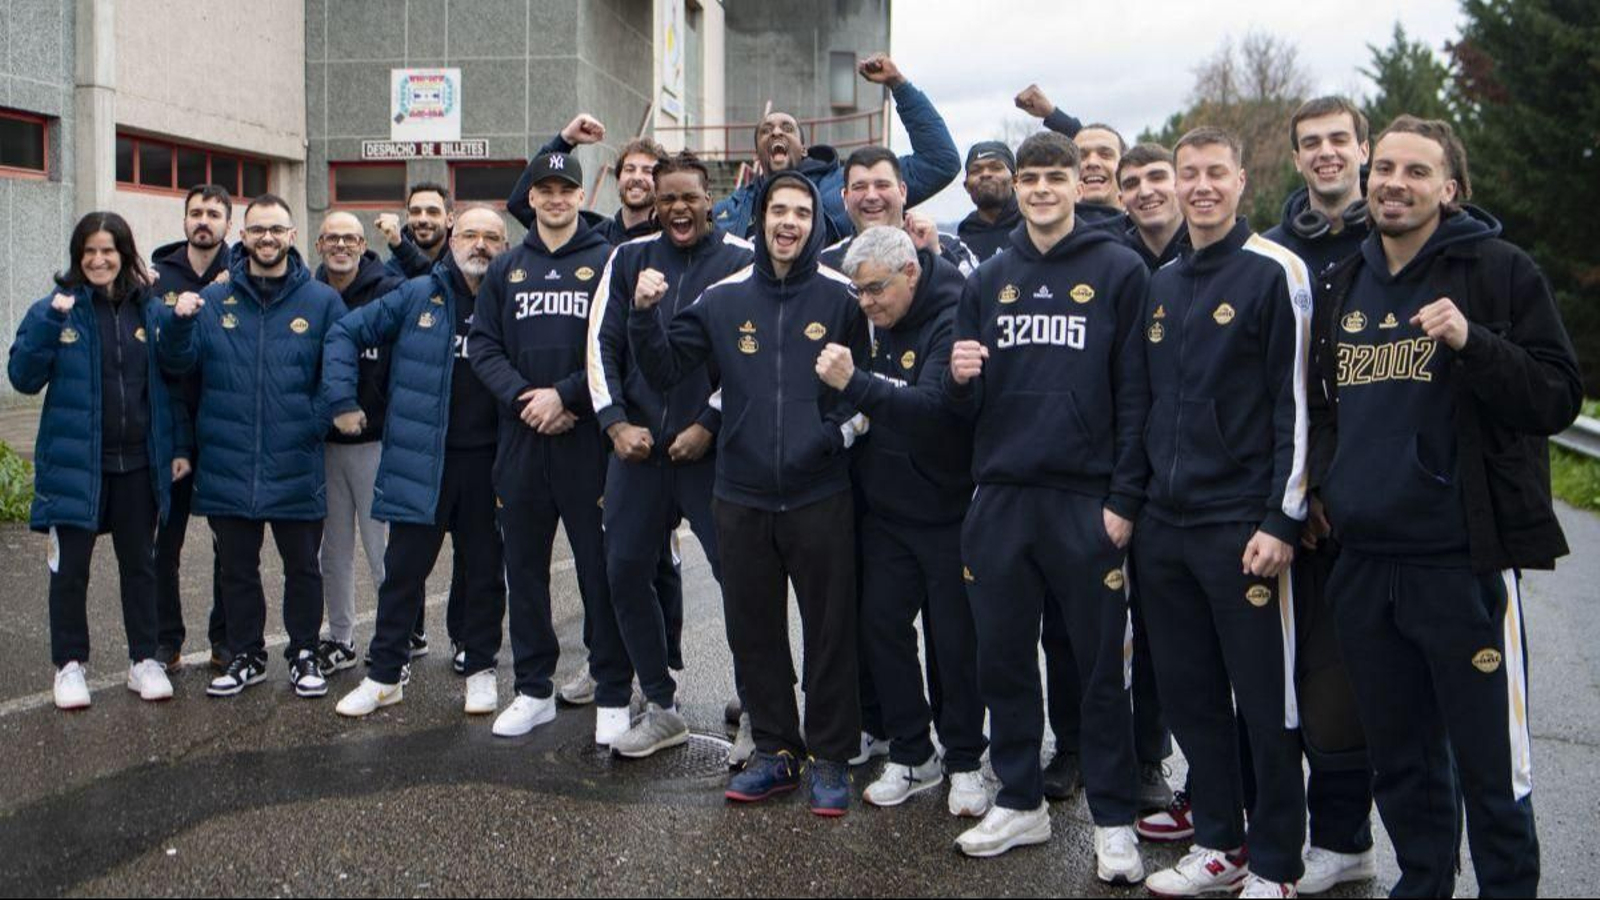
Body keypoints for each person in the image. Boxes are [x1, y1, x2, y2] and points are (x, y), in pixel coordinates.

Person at [1312, 115, 1581, 898]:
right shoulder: (1346, 283)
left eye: (1416, 172)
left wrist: (1473, 341)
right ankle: (1421, 882)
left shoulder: (1498, 271)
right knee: (1401, 760)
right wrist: (1330, 485)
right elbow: (1325, 406)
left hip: (1460, 561)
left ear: (1449, 190)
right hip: (1363, 563)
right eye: (1385, 168)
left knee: (1493, 765)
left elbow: (1557, 395)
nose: (1395, 182)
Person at [628, 173, 869, 817]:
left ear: (816, 222)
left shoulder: (844, 297)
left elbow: (865, 393)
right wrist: (644, 314)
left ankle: (830, 756)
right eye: (777, 211)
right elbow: (664, 368)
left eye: (801, 212)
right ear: (759, 218)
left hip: (821, 493)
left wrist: (832, 438)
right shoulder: (722, 297)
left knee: (829, 630)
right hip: (741, 494)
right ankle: (775, 750)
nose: (788, 222)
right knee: (754, 630)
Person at [942, 132, 1146, 883]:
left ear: (1080, 182)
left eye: (1055, 176)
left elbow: (1136, 394)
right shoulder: (988, 279)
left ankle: (1116, 820)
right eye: (1029, 179)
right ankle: (1020, 798)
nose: (1041, 189)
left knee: (1097, 671)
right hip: (999, 498)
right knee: (1003, 659)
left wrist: (1124, 498)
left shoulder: (1119, 270)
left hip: (1084, 500)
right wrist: (961, 381)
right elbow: (961, 404)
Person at [1133, 127, 1311, 897]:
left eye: (1215, 173)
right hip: (1164, 527)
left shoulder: (1276, 272)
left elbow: (1295, 402)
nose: (1200, 186)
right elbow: (1145, 403)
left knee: (1266, 706)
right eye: (1188, 174)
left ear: (1242, 180)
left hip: (1243, 528)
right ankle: (1219, 845)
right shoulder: (1164, 283)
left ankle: (1275, 862)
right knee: (1189, 693)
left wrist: (1283, 517)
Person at [587, 151, 756, 759]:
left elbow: (751, 358)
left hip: (711, 454)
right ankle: (661, 704)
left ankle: (757, 709)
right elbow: (600, 347)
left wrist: (709, 420)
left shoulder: (742, 262)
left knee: (741, 579)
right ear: (653, 203)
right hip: (636, 454)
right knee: (625, 570)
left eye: (689, 197)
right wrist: (614, 423)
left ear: (708, 197)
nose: (678, 209)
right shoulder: (627, 258)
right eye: (667, 200)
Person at [825, 226, 990, 818]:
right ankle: (914, 753)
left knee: (956, 642)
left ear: (911, 274)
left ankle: (967, 760)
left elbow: (932, 410)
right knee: (881, 630)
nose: (866, 304)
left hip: (947, 512)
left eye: (874, 291)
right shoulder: (869, 322)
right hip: (887, 513)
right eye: (858, 293)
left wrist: (857, 383)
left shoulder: (952, 316)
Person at [1259, 95, 1379, 895]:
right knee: (1302, 687)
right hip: (1297, 508)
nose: (1327, 154)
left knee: (1369, 689)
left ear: (1363, 147)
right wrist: (1292, 497)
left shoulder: (1400, 245)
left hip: (1377, 502)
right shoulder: (1273, 253)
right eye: (1312, 143)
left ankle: (1362, 839)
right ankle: (1319, 838)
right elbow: (1279, 388)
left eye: (1340, 139)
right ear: (1297, 157)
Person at [159, 194, 348, 700]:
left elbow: (338, 374)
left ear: (292, 236)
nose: (267, 238)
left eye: (277, 229)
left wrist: (310, 425)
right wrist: (178, 324)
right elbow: (181, 367)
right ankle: (246, 654)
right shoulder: (215, 301)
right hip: (228, 461)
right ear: (242, 237)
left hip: (295, 460)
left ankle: (304, 652)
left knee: (303, 567)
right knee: (236, 570)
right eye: (257, 229)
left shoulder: (322, 302)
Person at [469, 151, 630, 743]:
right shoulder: (507, 268)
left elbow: (618, 345)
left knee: (599, 570)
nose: (556, 199)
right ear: (530, 198)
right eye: (546, 189)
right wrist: (525, 401)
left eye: (567, 189)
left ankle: (613, 690)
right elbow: (483, 347)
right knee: (525, 573)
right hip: (522, 441)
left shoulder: (609, 259)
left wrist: (565, 397)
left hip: (586, 441)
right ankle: (533, 688)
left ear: (582, 196)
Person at [330, 207, 512, 718]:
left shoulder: (512, 302)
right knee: (403, 574)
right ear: (452, 238)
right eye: (471, 234)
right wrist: (342, 402)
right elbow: (344, 334)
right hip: (420, 460)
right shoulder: (416, 295)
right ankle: (384, 676)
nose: (480, 244)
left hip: (489, 465)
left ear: (505, 245)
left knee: (482, 574)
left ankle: (480, 671)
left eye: (492, 237)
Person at [9, 212, 189, 710]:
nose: (98, 259)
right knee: (70, 572)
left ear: (125, 254)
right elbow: (22, 376)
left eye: (108, 250)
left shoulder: (148, 310)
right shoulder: (56, 309)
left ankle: (143, 660)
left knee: (141, 567)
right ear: (77, 255)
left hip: (137, 465)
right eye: (89, 251)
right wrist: (51, 320)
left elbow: (170, 382)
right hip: (76, 464)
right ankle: (69, 666)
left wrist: (176, 448)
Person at [713, 54, 959, 241]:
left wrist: (899, 85)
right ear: (757, 154)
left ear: (804, 149)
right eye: (766, 131)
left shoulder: (849, 185)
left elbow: (938, 162)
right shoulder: (731, 210)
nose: (776, 132)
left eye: (787, 128)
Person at [311, 212, 404, 676]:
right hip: (324, 443)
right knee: (334, 551)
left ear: (363, 244)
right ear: (318, 244)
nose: (341, 246)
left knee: (382, 550)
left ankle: (397, 642)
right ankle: (342, 637)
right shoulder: (307, 295)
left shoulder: (385, 289)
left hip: (374, 440)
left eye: (350, 238)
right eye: (332, 238)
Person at [148, 184, 232, 671]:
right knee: (166, 541)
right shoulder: (159, 277)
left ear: (228, 223)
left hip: (223, 422)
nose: (204, 221)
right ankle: (167, 640)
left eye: (214, 214)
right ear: (184, 221)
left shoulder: (241, 273)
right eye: (196, 213)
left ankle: (224, 639)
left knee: (230, 542)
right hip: (171, 427)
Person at [820, 146, 979, 276]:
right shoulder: (826, 264)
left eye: (882, 185)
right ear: (845, 197)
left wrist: (935, 256)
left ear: (903, 192)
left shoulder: (950, 247)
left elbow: (974, 301)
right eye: (860, 187)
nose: (871, 196)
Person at [377, 182, 454, 279]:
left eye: (432, 212)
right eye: (415, 212)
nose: (422, 220)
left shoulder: (463, 263)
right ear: (408, 217)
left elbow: (438, 285)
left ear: (450, 220)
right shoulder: (390, 271)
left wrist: (401, 248)